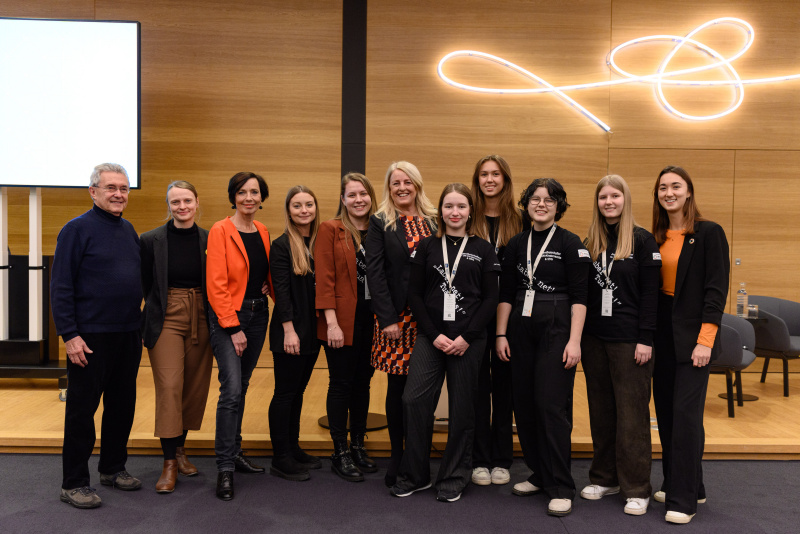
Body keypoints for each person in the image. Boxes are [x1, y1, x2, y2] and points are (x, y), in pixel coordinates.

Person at [391, 183, 500, 503]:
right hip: (431, 337)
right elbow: (414, 294)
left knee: (463, 409)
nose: (455, 212)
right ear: (441, 211)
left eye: (461, 207)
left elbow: (491, 299)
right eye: (449, 206)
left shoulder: (483, 249)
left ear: (470, 212)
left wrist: (467, 337)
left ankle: (453, 476)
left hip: (470, 340)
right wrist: (434, 333)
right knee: (414, 400)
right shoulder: (426, 247)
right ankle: (416, 474)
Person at [496, 178, 590, 517]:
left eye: (549, 200)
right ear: (526, 204)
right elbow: (506, 293)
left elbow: (581, 298)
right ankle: (539, 473)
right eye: (535, 199)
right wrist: (501, 335)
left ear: (558, 206)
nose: (541, 204)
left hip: (558, 327)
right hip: (520, 329)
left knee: (550, 405)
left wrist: (574, 341)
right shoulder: (516, 244)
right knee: (524, 404)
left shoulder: (570, 243)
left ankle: (562, 485)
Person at [52, 163, 143, 509]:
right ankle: (73, 482)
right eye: (111, 188)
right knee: (81, 411)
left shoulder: (129, 229)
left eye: (124, 188)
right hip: (88, 338)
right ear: (93, 192)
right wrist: (70, 335)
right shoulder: (75, 230)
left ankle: (112, 468)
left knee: (122, 407)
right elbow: (61, 287)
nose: (118, 194)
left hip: (126, 334)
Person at [650, 166, 729, 524]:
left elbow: (716, 291)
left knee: (685, 417)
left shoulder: (709, 233)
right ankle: (686, 482)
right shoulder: (654, 236)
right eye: (663, 187)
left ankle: (683, 501)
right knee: (666, 414)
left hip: (694, 336)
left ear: (688, 191)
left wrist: (705, 341)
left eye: (675, 186)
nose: (669, 192)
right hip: (661, 336)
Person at [579, 175, 661, 515]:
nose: (609, 202)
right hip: (594, 340)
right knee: (601, 413)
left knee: (632, 418)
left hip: (630, 342)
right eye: (603, 197)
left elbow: (651, 295)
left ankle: (637, 487)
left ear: (625, 199)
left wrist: (646, 338)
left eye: (615, 196)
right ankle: (604, 477)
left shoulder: (643, 241)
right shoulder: (591, 242)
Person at [365, 161, 437, 487]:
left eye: (407, 181)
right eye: (396, 183)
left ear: (417, 184)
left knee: (421, 389)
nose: (402, 188)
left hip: (429, 319)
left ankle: (417, 453)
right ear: (389, 187)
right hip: (395, 318)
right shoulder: (381, 221)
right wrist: (387, 318)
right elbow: (375, 273)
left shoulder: (434, 221)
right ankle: (398, 452)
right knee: (397, 388)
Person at [140, 181, 213, 493]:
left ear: (197, 203)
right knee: (170, 385)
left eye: (187, 200)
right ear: (168, 205)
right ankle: (169, 463)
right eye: (175, 202)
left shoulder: (211, 238)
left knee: (193, 388)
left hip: (203, 314)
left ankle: (181, 450)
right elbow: (144, 283)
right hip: (166, 314)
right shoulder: (150, 240)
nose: (181, 207)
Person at [206, 172, 274, 501]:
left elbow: (262, 272)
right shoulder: (220, 230)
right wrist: (233, 327)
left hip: (259, 314)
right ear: (233, 196)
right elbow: (216, 283)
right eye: (242, 192)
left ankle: (235, 450)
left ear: (262, 198)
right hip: (228, 318)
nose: (249, 197)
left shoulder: (262, 230)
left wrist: (268, 289)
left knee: (243, 386)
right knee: (231, 389)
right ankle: (224, 468)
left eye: (255, 192)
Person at [315, 173, 378, 482]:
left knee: (363, 383)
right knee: (341, 383)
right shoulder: (331, 229)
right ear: (343, 200)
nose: (358, 200)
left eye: (363, 194)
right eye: (352, 195)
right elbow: (324, 278)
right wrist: (331, 323)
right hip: (341, 319)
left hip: (373, 318)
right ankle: (339, 451)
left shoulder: (380, 229)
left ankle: (357, 445)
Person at [469, 155, 526, 487]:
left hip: (510, 318)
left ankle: (502, 458)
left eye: (495, 174)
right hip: (474, 317)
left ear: (505, 179)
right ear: (476, 180)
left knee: (505, 388)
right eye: (484, 174)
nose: (489, 179)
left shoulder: (519, 220)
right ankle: (479, 458)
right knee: (477, 388)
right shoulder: (466, 216)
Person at [268, 185, 323, 482]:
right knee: (285, 393)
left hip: (313, 331)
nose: (304, 210)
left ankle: (293, 447)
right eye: (297, 206)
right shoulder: (281, 245)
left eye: (309, 205)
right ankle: (281, 457)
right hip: (290, 330)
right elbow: (282, 292)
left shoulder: (319, 242)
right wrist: (289, 330)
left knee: (298, 392)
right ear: (288, 211)